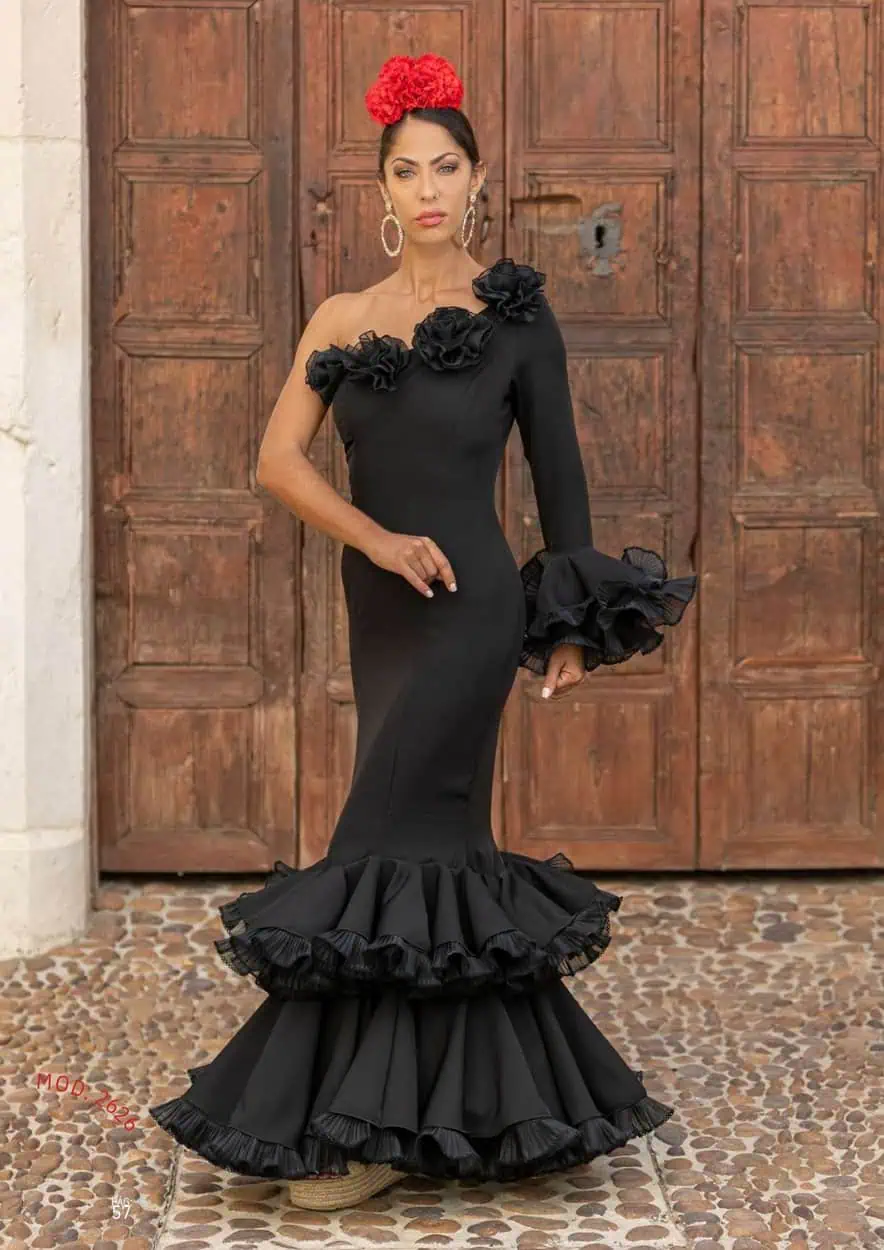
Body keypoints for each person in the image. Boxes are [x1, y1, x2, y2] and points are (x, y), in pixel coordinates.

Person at [149, 52, 697, 1212]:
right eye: (407, 171)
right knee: (426, 850)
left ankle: (365, 1131)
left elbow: (559, 478)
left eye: (446, 167)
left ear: (477, 179)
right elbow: (276, 460)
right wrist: (376, 538)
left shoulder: (514, 315)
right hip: (384, 609)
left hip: (470, 609)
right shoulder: (343, 317)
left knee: (380, 837)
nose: (428, 187)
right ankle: (449, 1112)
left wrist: (568, 631)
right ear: (382, 190)